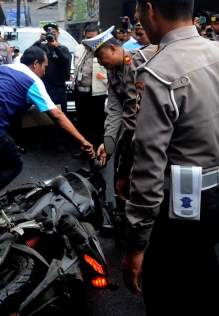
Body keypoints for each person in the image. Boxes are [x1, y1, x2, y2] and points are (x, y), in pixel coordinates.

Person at [122, 0, 219, 316]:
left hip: (178, 213)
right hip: (217, 200)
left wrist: (135, 244)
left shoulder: (158, 72)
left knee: (169, 295)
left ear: (150, 9)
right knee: (202, 278)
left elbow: (147, 168)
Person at [0, 46, 95, 232]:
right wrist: (82, 140)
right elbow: (58, 116)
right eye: (44, 66)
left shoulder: (3, 69)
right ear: (35, 63)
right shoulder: (33, 81)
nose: (45, 71)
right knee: (13, 164)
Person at [90, 26, 156, 215]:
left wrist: (118, 147)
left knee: (138, 179)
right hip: (130, 132)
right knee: (120, 173)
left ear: (112, 49)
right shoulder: (113, 72)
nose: (100, 63)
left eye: (101, 57)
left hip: (149, 133)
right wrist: (108, 144)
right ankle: (122, 218)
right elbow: (114, 110)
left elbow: (132, 114)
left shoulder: (140, 60)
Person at [32, 22, 72, 153]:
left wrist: (56, 48)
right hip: (43, 87)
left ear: (58, 34)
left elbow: (65, 62)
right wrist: (38, 42)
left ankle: (61, 141)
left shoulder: (63, 48)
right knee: (44, 114)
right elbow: (29, 54)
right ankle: (45, 140)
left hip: (58, 88)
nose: (51, 35)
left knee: (60, 115)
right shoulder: (41, 48)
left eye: (53, 32)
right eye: (48, 32)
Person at [72, 24, 108, 158]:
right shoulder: (78, 48)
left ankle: (100, 151)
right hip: (80, 92)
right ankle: (84, 150)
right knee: (82, 123)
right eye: (88, 38)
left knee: (98, 124)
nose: (90, 40)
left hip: (97, 94)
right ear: (84, 36)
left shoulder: (103, 49)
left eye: (94, 38)